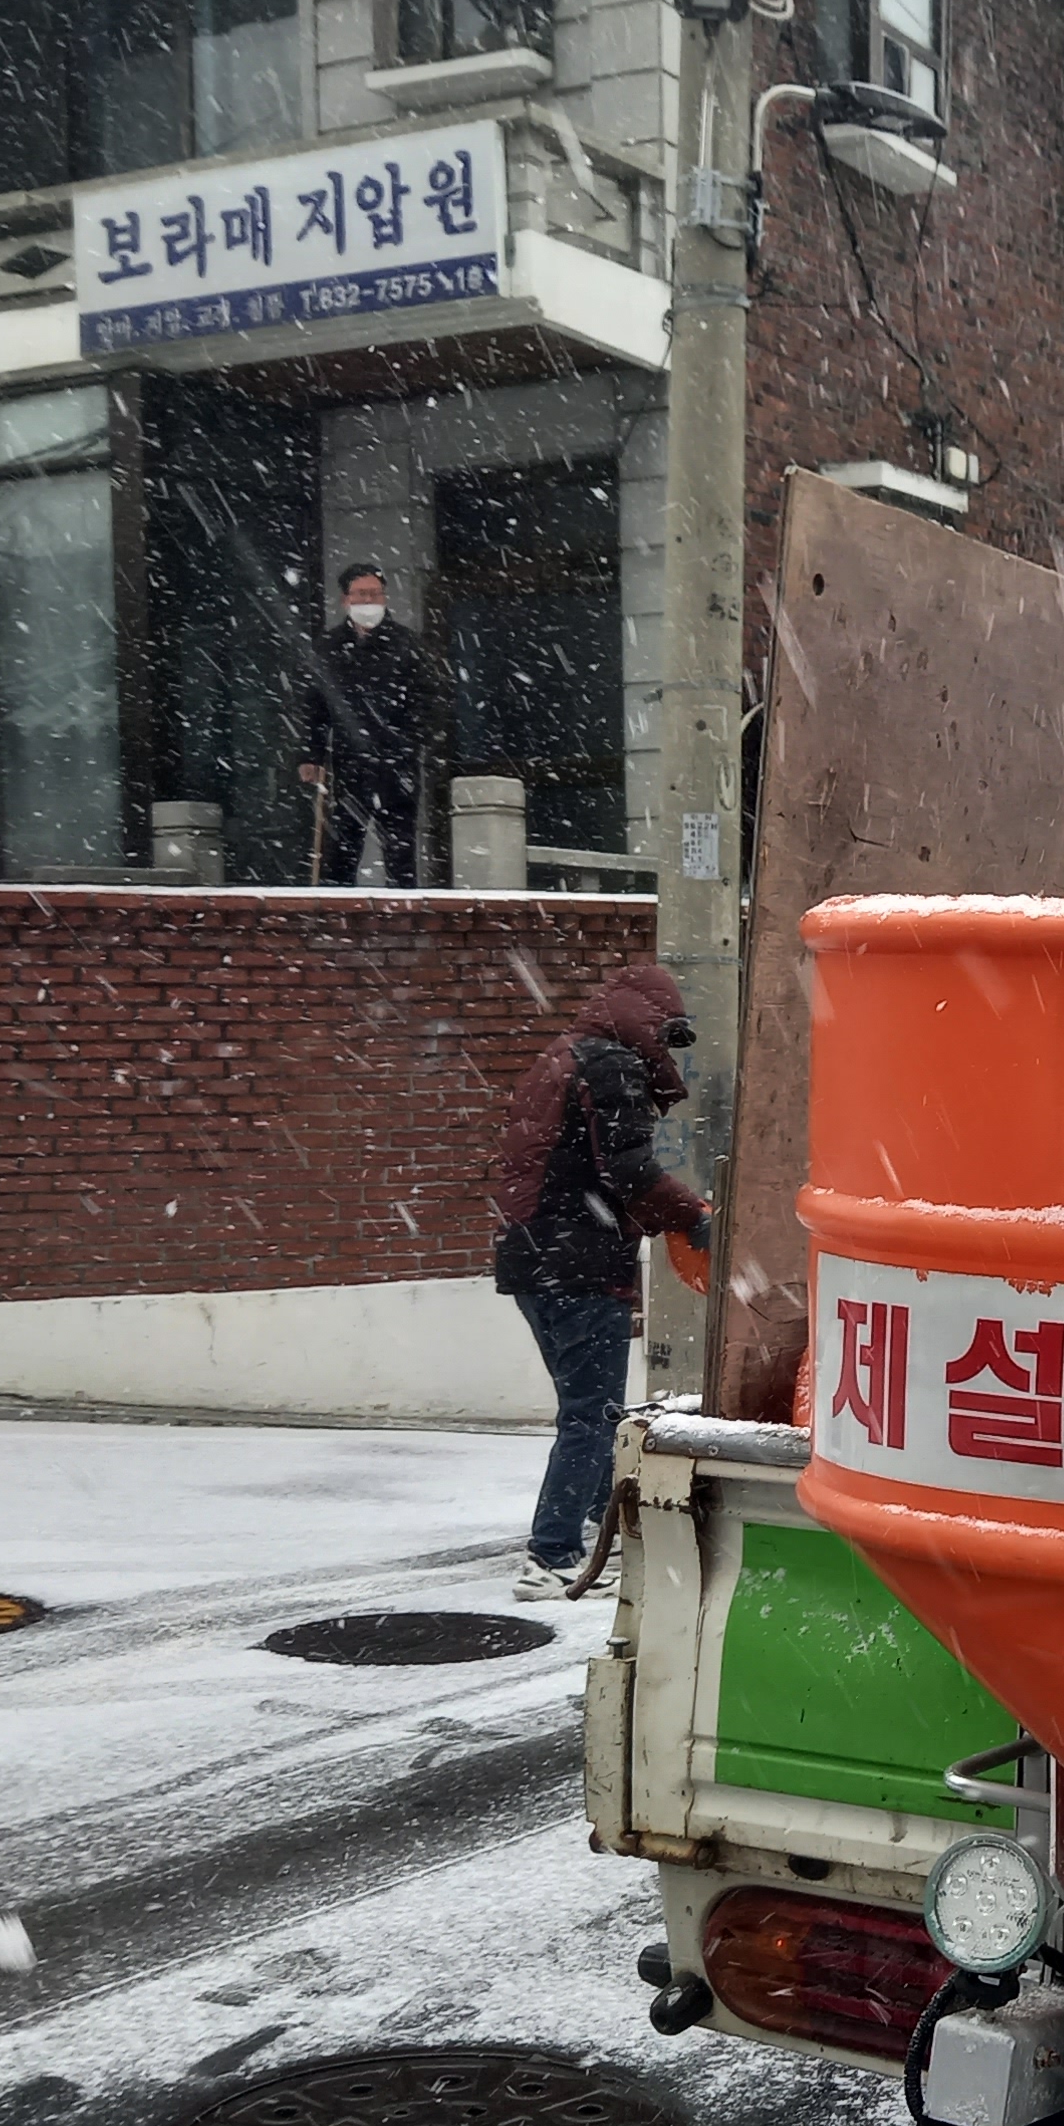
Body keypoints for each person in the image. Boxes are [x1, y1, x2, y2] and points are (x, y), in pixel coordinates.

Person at [495, 964, 711, 1599]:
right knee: (592, 1415)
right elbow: (628, 1168)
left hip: (534, 1257)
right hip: (578, 1260)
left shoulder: (564, 1056)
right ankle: (550, 1555)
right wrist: (691, 1214)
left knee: (591, 1410)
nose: (667, 1052)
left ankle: (596, 1524)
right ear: (647, 1020)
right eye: (667, 1036)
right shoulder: (612, 1065)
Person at [300, 565, 446, 884]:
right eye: (362, 594)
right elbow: (315, 705)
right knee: (341, 853)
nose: (369, 601)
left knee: (400, 854)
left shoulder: (406, 645)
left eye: (375, 594)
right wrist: (310, 754)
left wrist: (409, 741)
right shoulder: (329, 647)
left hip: (398, 767)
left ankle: (403, 923)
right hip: (348, 765)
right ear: (345, 600)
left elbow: (430, 700)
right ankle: (337, 922)